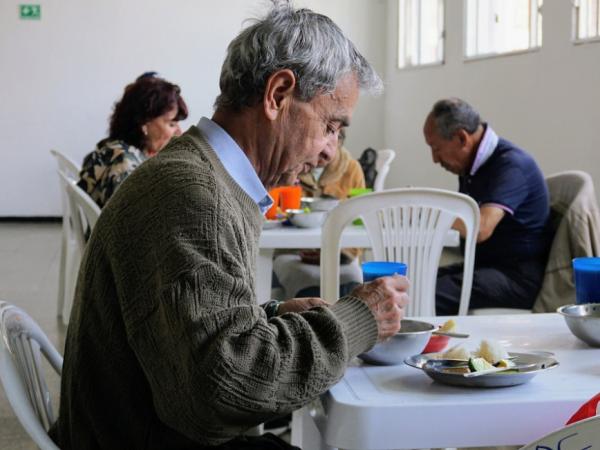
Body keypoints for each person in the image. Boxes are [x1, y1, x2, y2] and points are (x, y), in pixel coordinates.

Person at [50, 3, 409, 450]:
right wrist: (359, 318)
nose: (329, 153)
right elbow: (224, 392)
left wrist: (268, 318)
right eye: (331, 126)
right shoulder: (193, 194)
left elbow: (181, 333)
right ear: (278, 93)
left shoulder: (202, 176)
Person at [423, 98, 550, 315]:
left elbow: (480, 228)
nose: (434, 159)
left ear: (462, 138)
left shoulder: (512, 165)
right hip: (486, 267)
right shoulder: (473, 166)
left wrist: (426, 211)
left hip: (517, 277)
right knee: (412, 283)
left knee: (424, 294)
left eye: (436, 148)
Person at [273, 129, 366, 299]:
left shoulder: (351, 169)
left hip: (340, 255)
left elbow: (359, 220)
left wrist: (340, 255)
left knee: (352, 282)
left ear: (340, 142)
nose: (323, 155)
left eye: (331, 144)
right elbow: (273, 213)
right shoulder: (291, 167)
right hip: (293, 252)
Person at [78, 72, 188, 208]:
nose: (179, 132)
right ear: (145, 123)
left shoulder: (114, 149)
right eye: (171, 124)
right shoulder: (125, 166)